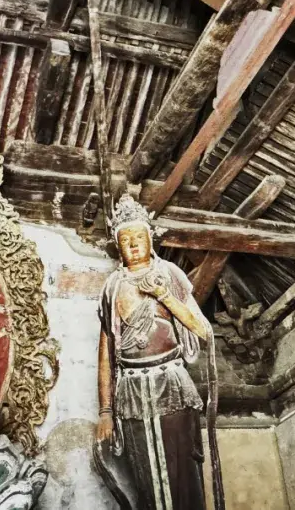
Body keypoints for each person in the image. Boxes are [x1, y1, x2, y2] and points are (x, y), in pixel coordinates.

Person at [95, 194, 224, 510]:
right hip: (131, 389)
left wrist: (164, 295)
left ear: (150, 240)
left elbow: (203, 330)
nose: (133, 244)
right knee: (144, 473)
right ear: (118, 247)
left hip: (170, 381)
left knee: (180, 466)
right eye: (125, 240)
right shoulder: (112, 286)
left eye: (138, 237)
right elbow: (106, 353)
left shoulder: (169, 274)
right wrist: (105, 412)